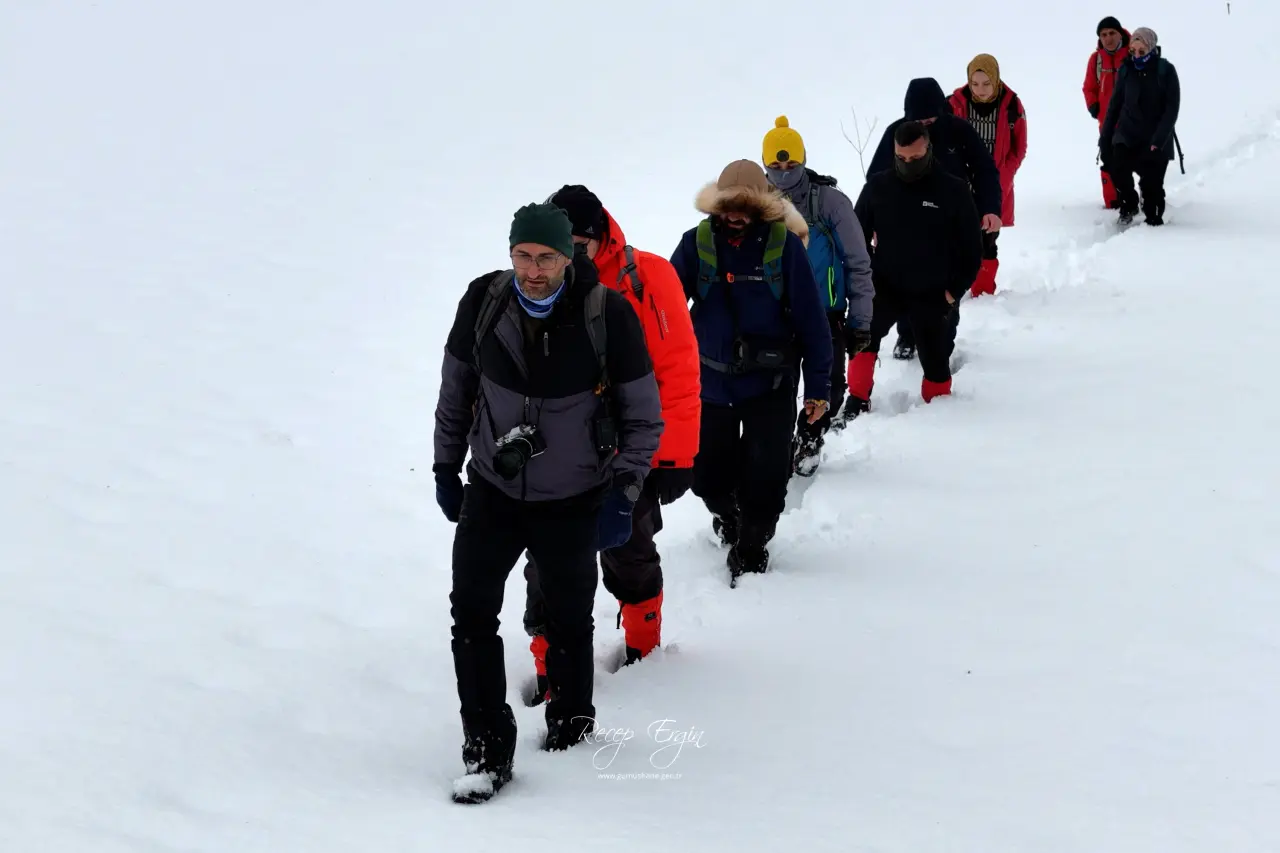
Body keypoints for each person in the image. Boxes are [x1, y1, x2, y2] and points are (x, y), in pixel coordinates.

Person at [433, 202, 663, 801]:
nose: (533, 271)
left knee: (568, 621)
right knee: (471, 615)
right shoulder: (483, 302)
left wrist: (624, 493)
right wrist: (445, 467)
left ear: (569, 258)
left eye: (546, 258)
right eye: (522, 256)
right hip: (493, 488)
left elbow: (643, 418)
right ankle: (485, 748)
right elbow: (455, 392)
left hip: (572, 497)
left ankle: (571, 726)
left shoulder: (607, 314)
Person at [521, 185, 700, 700]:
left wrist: (676, 455)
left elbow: (677, 368)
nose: (566, 256)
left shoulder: (647, 277)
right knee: (545, 565)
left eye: (578, 245)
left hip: (627, 451)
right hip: (553, 457)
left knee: (629, 550)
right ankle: (552, 670)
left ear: (601, 237)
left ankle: (644, 648)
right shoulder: (535, 284)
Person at [669, 160, 832, 580]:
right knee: (706, 474)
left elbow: (813, 323)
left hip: (770, 384)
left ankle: (753, 542)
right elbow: (666, 312)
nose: (736, 215)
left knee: (766, 474)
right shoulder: (696, 244)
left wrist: (818, 389)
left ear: (761, 206)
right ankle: (727, 513)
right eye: (729, 206)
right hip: (710, 383)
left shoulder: (784, 247)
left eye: (746, 207)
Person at [760, 116, 875, 469]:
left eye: (791, 165)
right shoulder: (755, 205)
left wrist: (860, 321)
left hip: (826, 315)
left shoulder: (829, 203)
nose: (784, 173)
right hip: (773, 319)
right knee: (773, 393)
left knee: (830, 390)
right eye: (776, 166)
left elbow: (858, 261)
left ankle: (809, 437)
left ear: (803, 160)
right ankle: (775, 454)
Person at [846, 122, 983, 410]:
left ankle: (938, 411)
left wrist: (953, 292)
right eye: (901, 158)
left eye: (915, 158)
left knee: (935, 359)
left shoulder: (953, 190)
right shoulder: (878, 187)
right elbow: (855, 237)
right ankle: (856, 399)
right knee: (862, 338)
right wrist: (866, 277)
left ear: (929, 150)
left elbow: (971, 249)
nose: (908, 164)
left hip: (932, 291)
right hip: (885, 285)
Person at [866, 78, 1001, 365]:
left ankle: (942, 342)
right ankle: (907, 335)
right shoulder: (897, 133)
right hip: (904, 222)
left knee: (946, 286)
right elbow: (874, 179)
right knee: (904, 281)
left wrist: (990, 208)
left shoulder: (959, 130)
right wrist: (876, 220)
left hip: (951, 219)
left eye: (930, 119)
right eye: (919, 120)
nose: (925, 125)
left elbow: (985, 170)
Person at [947, 54, 1028, 298]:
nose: (980, 90)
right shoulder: (954, 104)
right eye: (974, 84)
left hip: (993, 186)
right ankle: (951, 290)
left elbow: (1018, 149)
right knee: (955, 237)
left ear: (996, 80)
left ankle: (982, 293)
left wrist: (1002, 177)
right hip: (959, 183)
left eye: (986, 83)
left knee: (987, 240)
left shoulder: (1012, 106)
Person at [1099, 27, 1181, 226]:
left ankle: (1152, 214)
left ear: (1151, 49)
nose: (1136, 56)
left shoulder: (1165, 71)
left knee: (1152, 193)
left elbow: (1171, 110)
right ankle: (1129, 203)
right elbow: (1114, 106)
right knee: (1116, 167)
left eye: (1141, 51)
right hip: (1128, 133)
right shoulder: (1126, 70)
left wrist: (1158, 140)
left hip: (1156, 137)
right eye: (1132, 51)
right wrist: (1105, 138)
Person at [1084, 17, 1133, 209]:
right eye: (1103, 34)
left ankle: (1143, 199)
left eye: (1112, 33)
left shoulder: (1133, 54)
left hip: (1134, 122)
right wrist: (1093, 106)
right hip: (1107, 123)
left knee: (1138, 162)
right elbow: (1089, 87)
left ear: (1120, 34)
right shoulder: (1096, 60)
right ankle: (1114, 202)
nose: (1108, 38)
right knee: (1109, 161)